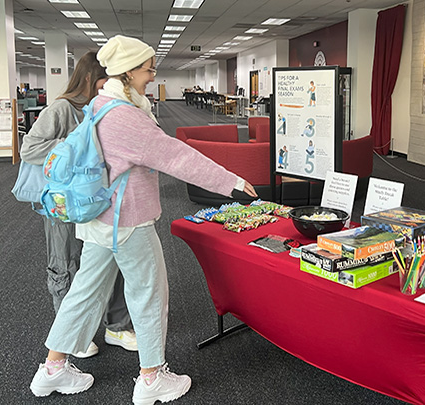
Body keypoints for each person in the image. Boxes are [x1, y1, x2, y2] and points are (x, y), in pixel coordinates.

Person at [29, 35, 258, 404]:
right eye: (149, 69)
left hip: (99, 219)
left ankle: (52, 370)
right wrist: (230, 182)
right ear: (129, 70)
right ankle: (152, 377)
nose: (152, 75)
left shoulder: (100, 105)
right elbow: (176, 156)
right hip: (127, 221)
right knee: (150, 295)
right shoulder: (125, 117)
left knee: (84, 294)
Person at [20, 52, 137, 360]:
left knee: (111, 259)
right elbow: (29, 149)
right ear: (88, 78)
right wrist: (73, 144)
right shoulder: (62, 109)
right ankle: (70, 333)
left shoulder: (103, 107)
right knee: (65, 262)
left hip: (98, 199)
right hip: (63, 203)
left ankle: (117, 325)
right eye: (104, 82)